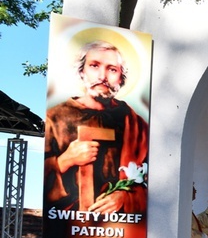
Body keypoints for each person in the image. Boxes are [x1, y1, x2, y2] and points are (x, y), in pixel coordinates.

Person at [45, 40, 149, 214]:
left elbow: (150, 178)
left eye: (112, 69)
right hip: (67, 224)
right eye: (94, 66)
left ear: (121, 78)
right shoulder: (54, 117)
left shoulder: (135, 123)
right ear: (82, 71)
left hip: (120, 228)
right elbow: (40, 179)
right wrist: (65, 160)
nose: (102, 76)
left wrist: (126, 196)